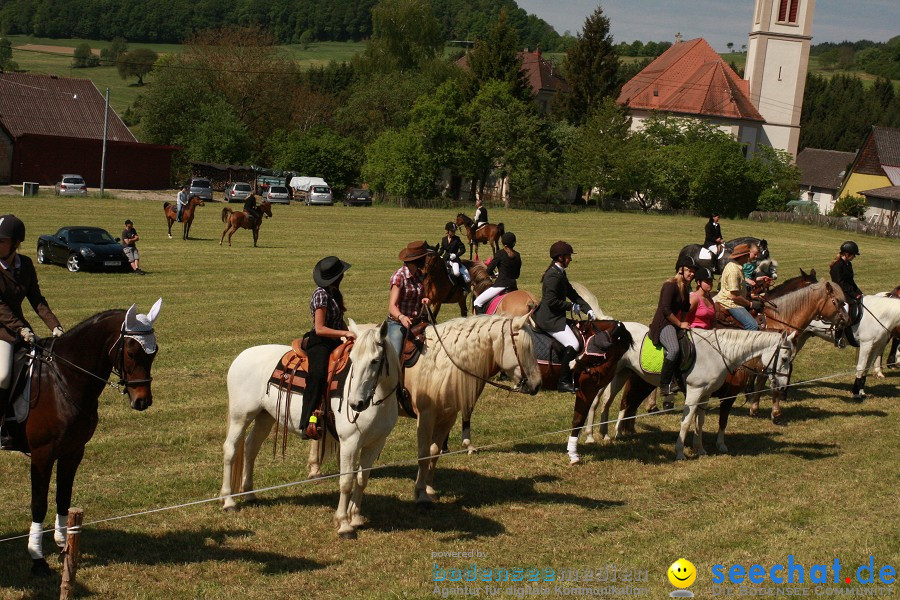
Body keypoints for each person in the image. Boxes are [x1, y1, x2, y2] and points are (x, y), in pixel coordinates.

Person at [0, 215, 64, 451]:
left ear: (15, 243)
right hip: (3, 330)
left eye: (1, 241)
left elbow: (37, 300)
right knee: (3, 375)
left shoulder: (25, 264)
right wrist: (22, 329)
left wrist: (55, 327)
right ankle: (1, 428)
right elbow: (1, 309)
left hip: (17, 329)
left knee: (40, 365)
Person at [299, 256, 354, 440]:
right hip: (320, 342)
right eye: (341, 274)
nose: (343, 276)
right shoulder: (321, 294)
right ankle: (306, 421)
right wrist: (344, 335)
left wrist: (351, 333)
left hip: (335, 339)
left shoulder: (334, 292)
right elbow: (320, 328)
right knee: (318, 375)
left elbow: (339, 321)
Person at [533, 241, 595, 393]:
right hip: (549, 319)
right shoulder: (552, 276)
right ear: (560, 257)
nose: (570, 259)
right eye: (568, 256)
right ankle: (563, 381)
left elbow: (571, 293)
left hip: (555, 316)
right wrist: (570, 306)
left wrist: (588, 309)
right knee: (573, 344)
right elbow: (551, 302)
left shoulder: (560, 272)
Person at [650, 256, 696, 398]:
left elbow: (686, 308)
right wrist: (679, 323)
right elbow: (665, 310)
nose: (692, 274)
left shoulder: (686, 287)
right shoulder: (670, 285)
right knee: (674, 349)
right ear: (681, 270)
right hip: (663, 324)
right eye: (689, 270)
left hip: (675, 323)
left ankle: (679, 379)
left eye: (693, 271)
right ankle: (665, 384)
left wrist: (682, 324)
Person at [387, 241, 433, 358]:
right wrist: (402, 317)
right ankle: (394, 375)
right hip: (398, 324)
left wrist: (425, 299)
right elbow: (392, 306)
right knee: (395, 354)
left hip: (418, 321)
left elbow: (421, 295)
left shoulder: (419, 274)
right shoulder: (399, 276)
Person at [713, 243, 761, 331]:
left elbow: (738, 290)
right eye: (746, 255)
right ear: (741, 256)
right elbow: (734, 297)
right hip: (730, 304)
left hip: (734, 301)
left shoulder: (736, 266)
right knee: (753, 326)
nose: (748, 257)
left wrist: (750, 295)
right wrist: (750, 304)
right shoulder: (734, 271)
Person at [473, 232, 520, 315]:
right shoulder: (517, 255)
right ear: (514, 243)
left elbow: (488, 271)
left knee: (477, 302)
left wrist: (493, 275)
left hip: (501, 285)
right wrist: (500, 273)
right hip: (513, 285)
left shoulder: (500, 254)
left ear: (503, 243)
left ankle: (484, 322)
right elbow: (517, 275)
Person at [830, 240, 863, 327]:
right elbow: (840, 283)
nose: (854, 257)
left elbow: (851, 281)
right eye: (853, 255)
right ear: (847, 254)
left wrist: (859, 292)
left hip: (847, 290)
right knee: (847, 307)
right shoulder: (837, 266)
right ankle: (839, 331)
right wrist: (853, 294)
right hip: (838, 291)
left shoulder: (848, 264)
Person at [437, 222, 470, 289]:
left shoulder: (457, 239)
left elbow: (463, 249)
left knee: (456, 273)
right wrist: (437, 256)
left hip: (454, 259)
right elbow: (442, 250)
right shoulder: (444, 239)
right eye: (452, 231)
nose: (453, 232)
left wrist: (456, 255)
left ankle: (463, 287)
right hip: (445, 258)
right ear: (447, 231)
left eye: (454, 231)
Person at [687, 266, 715, 330]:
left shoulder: (709, 299)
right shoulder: (694, 299)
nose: (710, 284)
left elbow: (713, 320)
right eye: (707, 281)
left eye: (711, 281)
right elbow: (682, 315)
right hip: (694, 333)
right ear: (699, 282)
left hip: (708, 333)